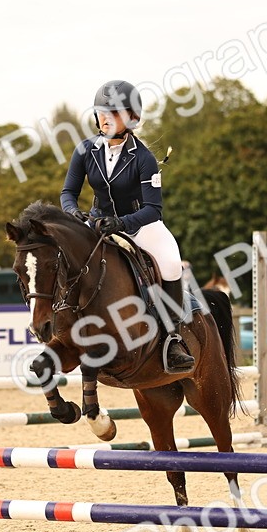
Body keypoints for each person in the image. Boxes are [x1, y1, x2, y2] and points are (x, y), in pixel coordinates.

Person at [60, 79, 194, 374]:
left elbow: (152, 209)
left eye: (116, 113)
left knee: (171, 264)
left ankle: (172, 338)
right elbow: (68, 193)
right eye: (103, 112)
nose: (107, 119)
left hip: (138, 224)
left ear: (131, 118)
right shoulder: (85, 150)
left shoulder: (143, 158)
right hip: (97, 223)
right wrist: (74, 214)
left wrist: (121, 223)